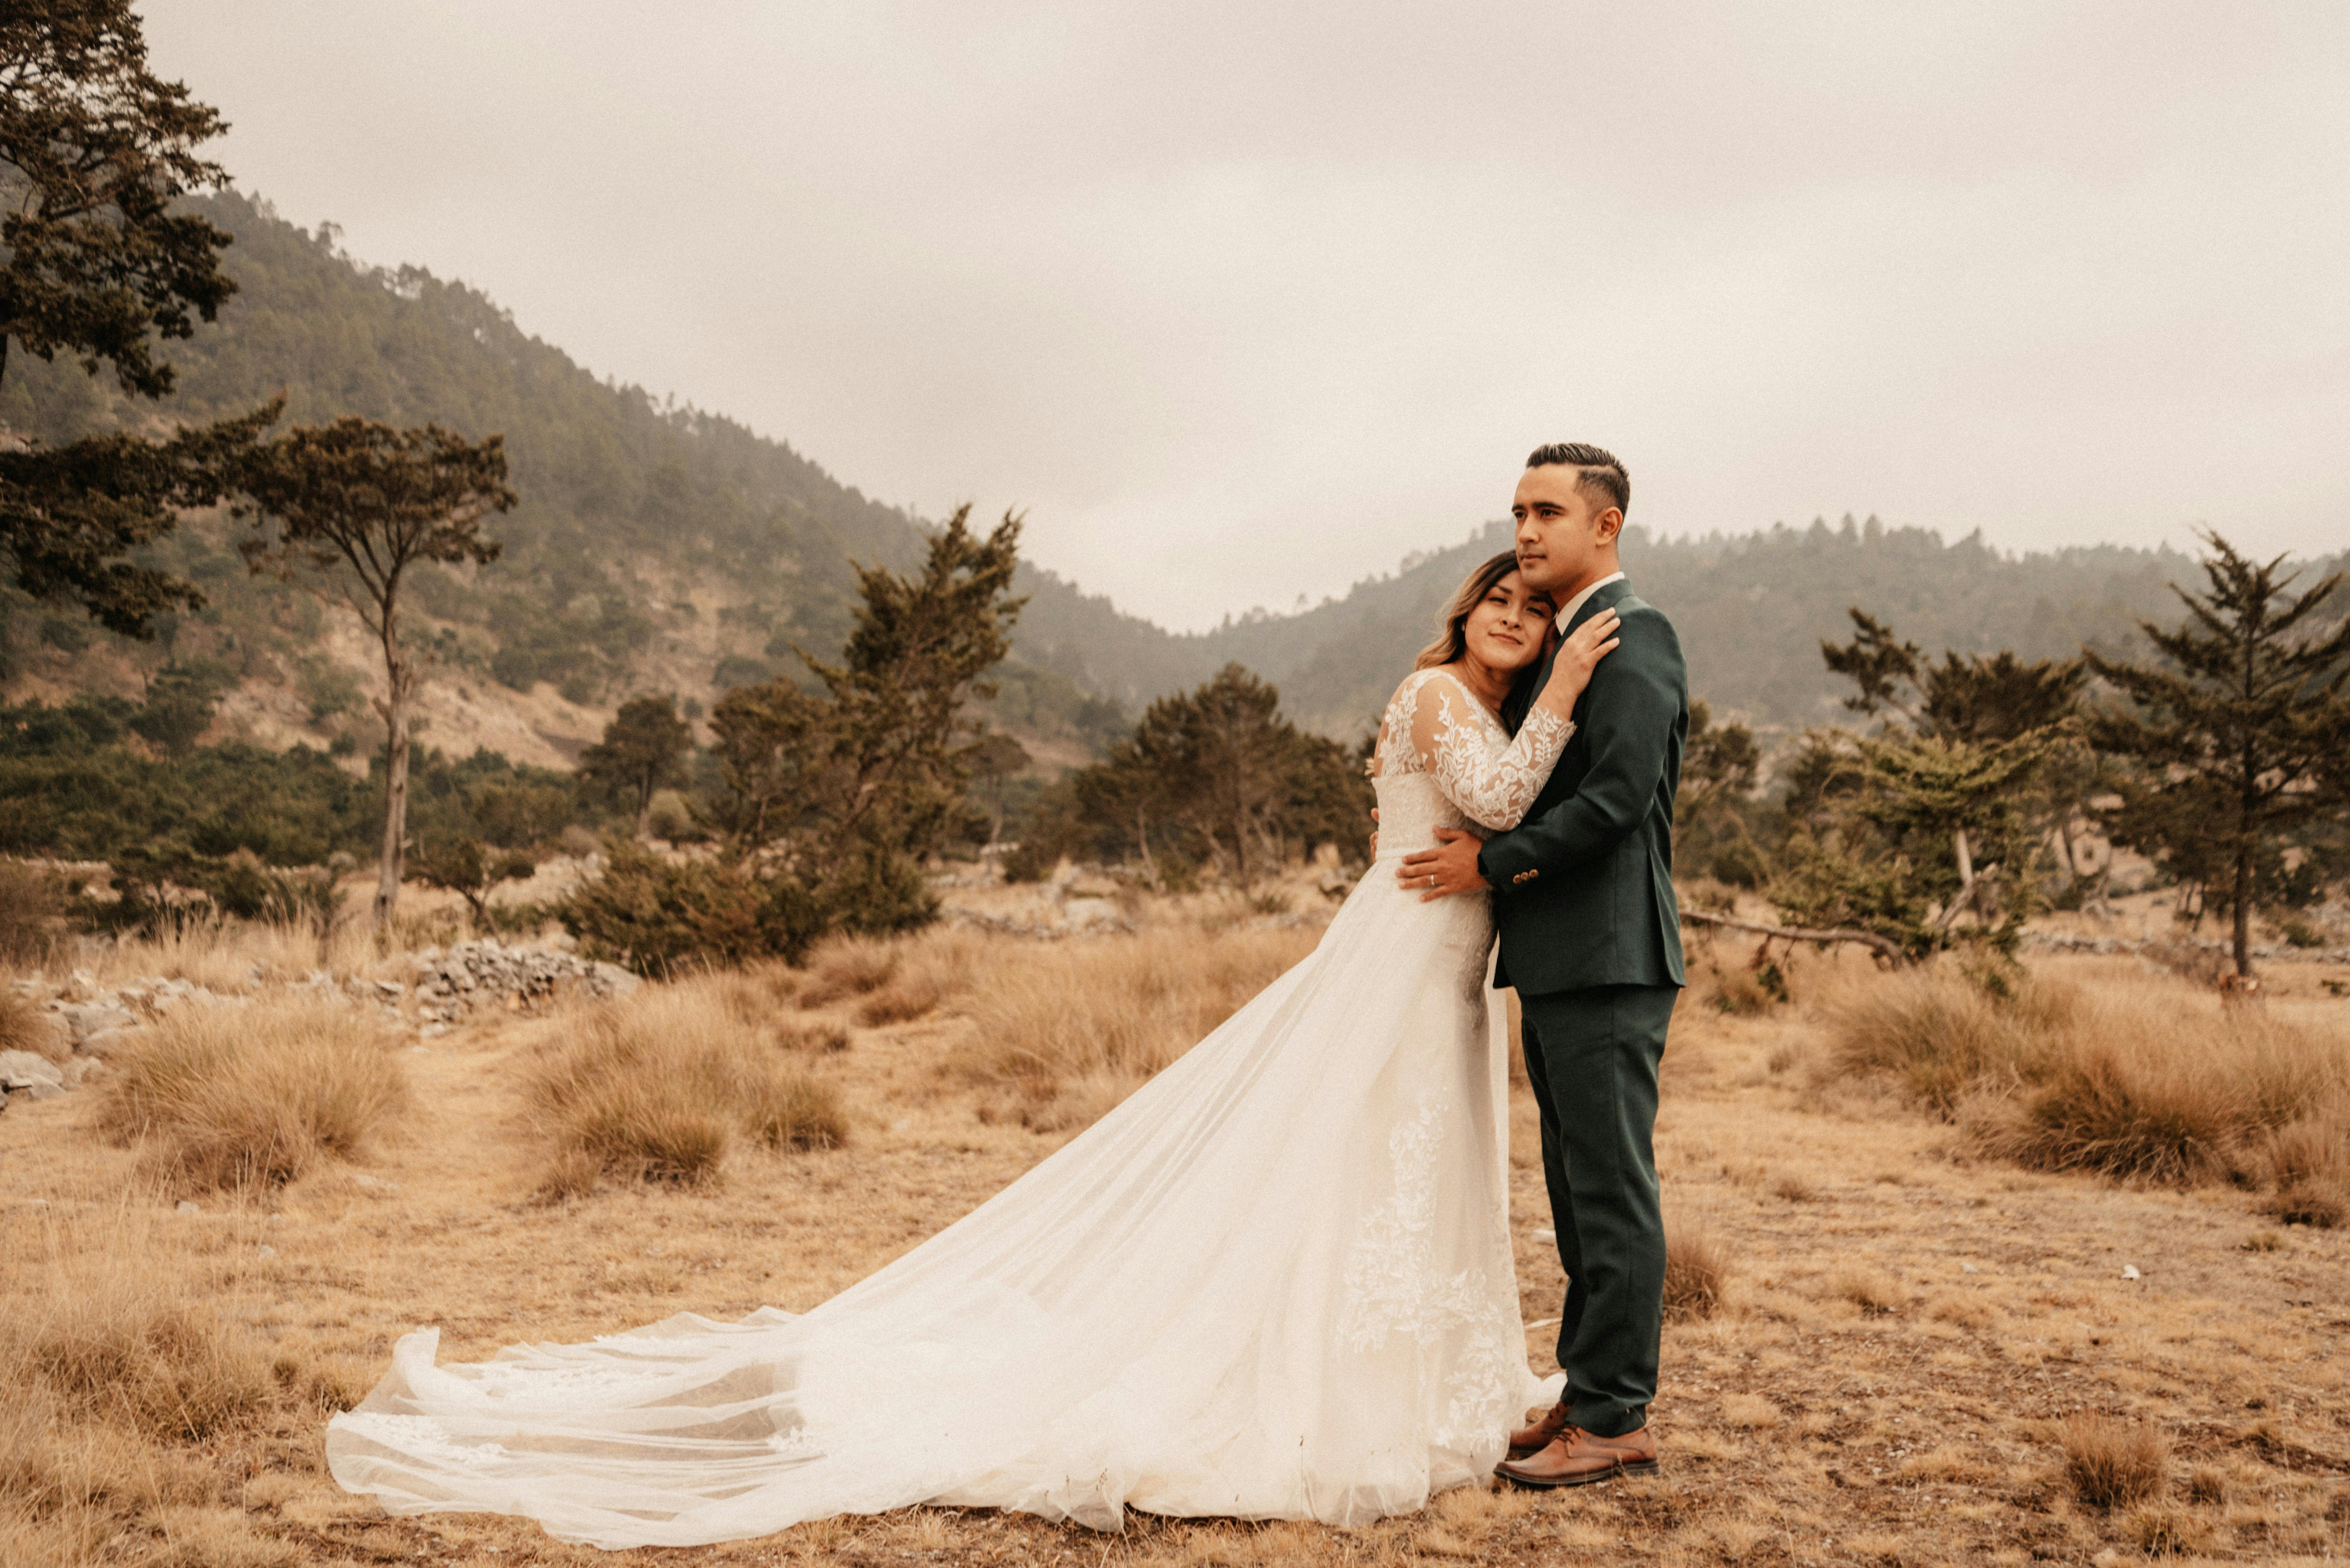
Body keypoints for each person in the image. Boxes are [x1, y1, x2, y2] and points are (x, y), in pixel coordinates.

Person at [323, 552, 1620, 1549]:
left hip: (1445, 963)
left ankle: (1420, 1370)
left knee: (1403, 1166)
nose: (1512, 610)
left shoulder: (1477, 698)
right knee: (1357, 1160)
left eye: (1531, 605)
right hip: (1401, 959)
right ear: (1464, 615)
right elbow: (1502, 800)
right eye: (1494, 597)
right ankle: (1333, 1378)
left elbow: (1506, 810)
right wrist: (1563, 689)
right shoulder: (1443, 691)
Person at [1399, 441, 1687, 1489]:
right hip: (1564, 960)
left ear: (1603, 526)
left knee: (1610, 1190)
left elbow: (1615, 803)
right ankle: (1587, 1388)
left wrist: (1492, 863)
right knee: (1574, 1191)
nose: (1527, 530)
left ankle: (1616, 1419)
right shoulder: (1563, 645)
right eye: (1519, 511)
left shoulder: (1634, 638)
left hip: (1612, 957)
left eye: (1549, 513)